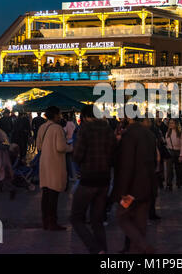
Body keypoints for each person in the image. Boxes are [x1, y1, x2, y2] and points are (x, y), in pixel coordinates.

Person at [71, 105, 117, 254]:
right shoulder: (108, 130)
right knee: (97, 221)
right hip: (104, 179)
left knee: (76, 218)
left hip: (88, 179)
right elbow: (114, 154)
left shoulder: (85, 129)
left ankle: (96, 249)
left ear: (84, 117)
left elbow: (77, 155)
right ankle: (103, 252)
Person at [112, 111, 157, 254]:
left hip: (132, 187)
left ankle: (143, 246)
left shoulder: (129, 135)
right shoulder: (149, 134)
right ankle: (137, 249)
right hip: (147, 185)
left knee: (122, 216)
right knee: (140, 222)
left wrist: (123, 191)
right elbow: (154, 161)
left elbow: (127, 165)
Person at [37, 106, 73, 231]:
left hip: (44, 163)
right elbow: (61, 147)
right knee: (53, 194)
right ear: (56, 115)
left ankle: (45, 221)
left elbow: (39, 146)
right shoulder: (57, 128)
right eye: (59, 114)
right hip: (55, 163)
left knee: (46, 194)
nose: (61, 116)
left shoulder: (42, 127)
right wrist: (71, 147)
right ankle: (53, 222)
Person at [165, 119, 182, 191]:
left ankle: (179, 183)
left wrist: (181, 155)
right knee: (169, 170)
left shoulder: (181, 133)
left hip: (178, 152)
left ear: (176, 124)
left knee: (179, 170)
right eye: (170, 123)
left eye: (172, 123)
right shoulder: (168, 132)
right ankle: (169, 184)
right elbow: (167, 144)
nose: (171, 124)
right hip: (170, 151)